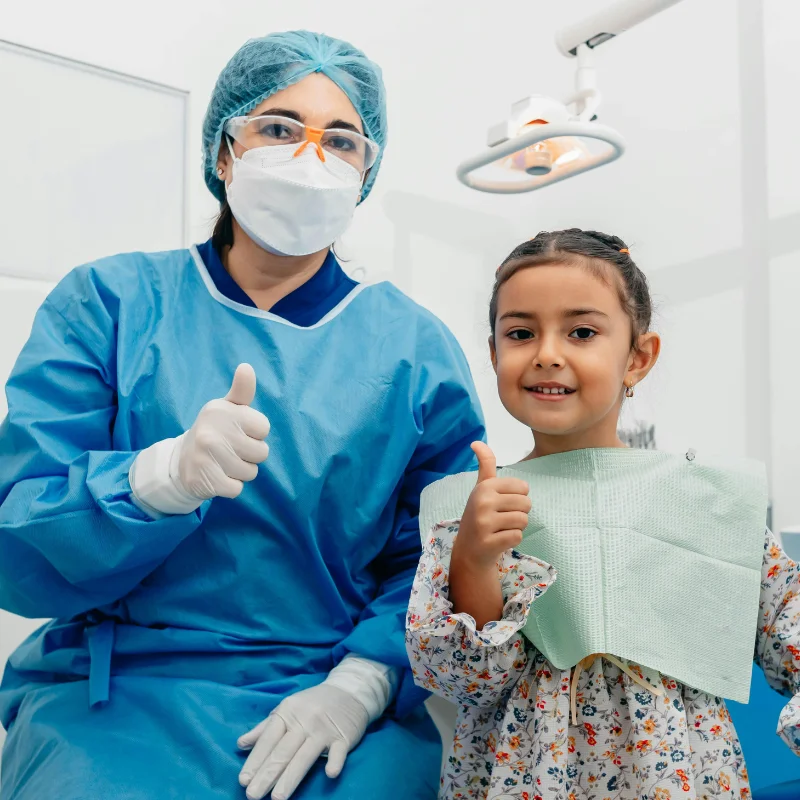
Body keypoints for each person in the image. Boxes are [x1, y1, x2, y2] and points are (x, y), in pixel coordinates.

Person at [0, 31, 485, 800]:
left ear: (367, 172)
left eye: (342, 140)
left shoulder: (414, 350)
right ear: (224, 152)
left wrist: (361, 684)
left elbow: (439, 555)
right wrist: (157, 478)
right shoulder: (110, 304)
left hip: (329, 687)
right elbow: (18, 539)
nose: (308, 157)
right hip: (123, 687)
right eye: (279, 129)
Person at [405, 229, 800, 799]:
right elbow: (465, 680)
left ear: (638, 358)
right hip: (523, 778)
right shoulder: (469, 507)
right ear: (493, 354)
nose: (546, 352)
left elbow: (787, 620)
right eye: (520, 333)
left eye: (582, 332)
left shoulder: (701, 499)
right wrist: (474, 557)